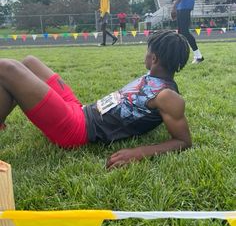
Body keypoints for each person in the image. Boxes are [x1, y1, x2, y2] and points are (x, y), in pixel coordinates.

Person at [0, 30, 192, 169]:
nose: (146, 55)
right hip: (81, 109)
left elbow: (183, 141)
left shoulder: (168, 97)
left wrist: (138, 153)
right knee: (29, 62)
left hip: (77, 128)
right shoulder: (154, 76)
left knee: (7, 68)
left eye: (147, 51)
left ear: (154, 59)